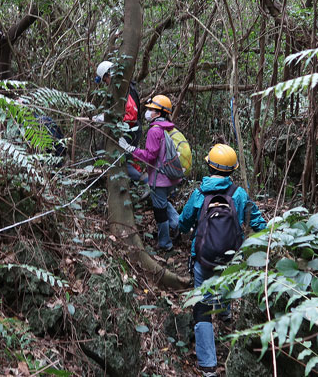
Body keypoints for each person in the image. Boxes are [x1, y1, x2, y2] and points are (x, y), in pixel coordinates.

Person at [177, 143, 267, 377]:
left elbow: (184, 223)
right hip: (231, 257)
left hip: (203, 258)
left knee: (202, 308)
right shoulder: (238, 194)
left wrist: (184, 227)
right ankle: (226, 312)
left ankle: (208, 367)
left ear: (209, 166)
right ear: (232, 170)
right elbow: (256, 221)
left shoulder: (199, 194)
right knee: (227, 279)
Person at [118, 95, 182, 251]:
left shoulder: (154, 130)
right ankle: (179, 225)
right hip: (169, 177)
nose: (148, 112)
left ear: (159, 113)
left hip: (159, 179)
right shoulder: (165, 127)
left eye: (151, 109)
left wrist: (130, 149)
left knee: (160, 211)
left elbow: (150, 156)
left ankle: (165, 243)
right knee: (163, 204)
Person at [93, 60, 146, 182]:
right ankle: (138, 185)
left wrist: (111, 121)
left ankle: (143, 181)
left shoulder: (125, 89)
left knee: (121, 161)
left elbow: (130, 115)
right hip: (130, 129)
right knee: (129, 159)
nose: (106, 83)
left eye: (105, 80)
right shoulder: (123, 88)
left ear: (109, 74)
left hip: (130, 131)